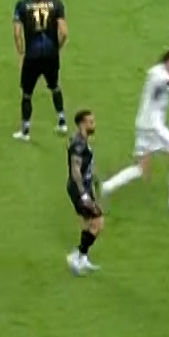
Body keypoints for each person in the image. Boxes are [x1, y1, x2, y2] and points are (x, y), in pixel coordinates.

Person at [100, 42, 169, 213]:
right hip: (152, 125)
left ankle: (107, 186)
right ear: (168, 61)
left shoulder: (162, 70)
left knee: (141, 168)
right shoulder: (157, 74)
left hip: (144, 123)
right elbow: (168, 80)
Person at [12, 0, 69, 141]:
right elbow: (64, 32)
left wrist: (21, 53)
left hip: (32, 55)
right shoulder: (56, 3)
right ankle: (62, 121)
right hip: (51, 53)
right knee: (55, 86)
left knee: (27, 93)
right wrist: (57, 47)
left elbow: (17, 33)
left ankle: (25, 131)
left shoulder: (22, 4)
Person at [64, 110, 106, 275]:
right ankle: (77, 256)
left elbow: (84, 166)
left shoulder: (81, 141)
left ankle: (82, 258)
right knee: (98, 222)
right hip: (79, 188)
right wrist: (84, 194)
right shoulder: (79, 144)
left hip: (85, 186)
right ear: (82, 123)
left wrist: (94, 177)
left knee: (89, 223)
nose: (93, 125)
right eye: (91, 122)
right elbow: (76, 171)